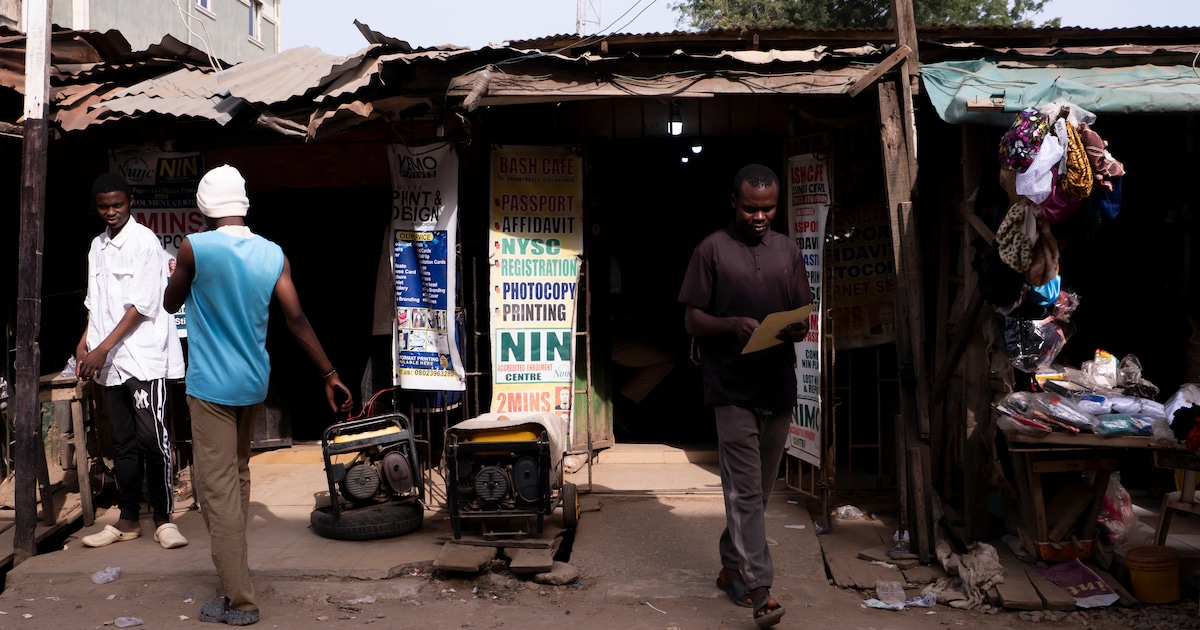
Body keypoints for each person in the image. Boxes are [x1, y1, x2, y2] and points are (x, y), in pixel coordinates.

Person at [164, 164, 353, 626]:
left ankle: (240, 600)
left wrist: (177, 273)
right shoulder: (274, 253)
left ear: (206, 207)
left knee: (215, 489)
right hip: (253, 384)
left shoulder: (194, 248)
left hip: (211, 386)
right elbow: (297, 319)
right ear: (243, 203)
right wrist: (329, 372)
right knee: (238, 476)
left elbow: (170, 303)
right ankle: (234, 574)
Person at [677, 164, 812, 629]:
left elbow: (802, 316)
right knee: (746, 490)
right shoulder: (711, 250)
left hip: (777, 384)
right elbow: (693, 318)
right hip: (729, 386)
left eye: (769, 207)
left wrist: (796, 327)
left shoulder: (789, 251)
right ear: (733, 202)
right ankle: (761, 589)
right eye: (751, 208)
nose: (760, 216)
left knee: (758, 492)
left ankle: (731, 567)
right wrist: (731, 324)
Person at [76, 173, 189, 551]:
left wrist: (102, 348)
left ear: (130, 202)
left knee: (152, 439)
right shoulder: (97, 246)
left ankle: (163, 519)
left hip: (141, 356)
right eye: (104, 206)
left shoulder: (144, 242)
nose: (111, 212)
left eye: (117, 205)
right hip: (109, 360)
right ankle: (127, 520)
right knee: (122, 443)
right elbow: (96, 303)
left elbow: (141, 307)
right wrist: (84, 344)